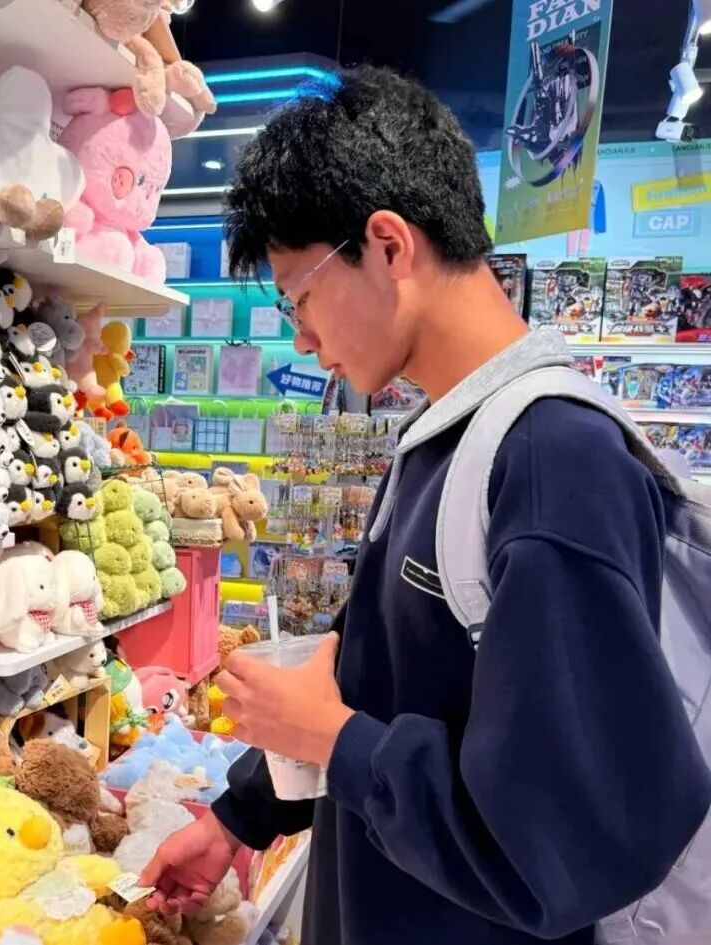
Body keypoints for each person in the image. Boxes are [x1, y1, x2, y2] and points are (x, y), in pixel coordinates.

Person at [139, 65, 711, 945]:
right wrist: (238, 816)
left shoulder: (552, 460)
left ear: (388, 246)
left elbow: (558, 838)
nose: (302, 338)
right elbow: (379, 676)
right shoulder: (443, 440)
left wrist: (336, 741)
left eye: (300, 296)